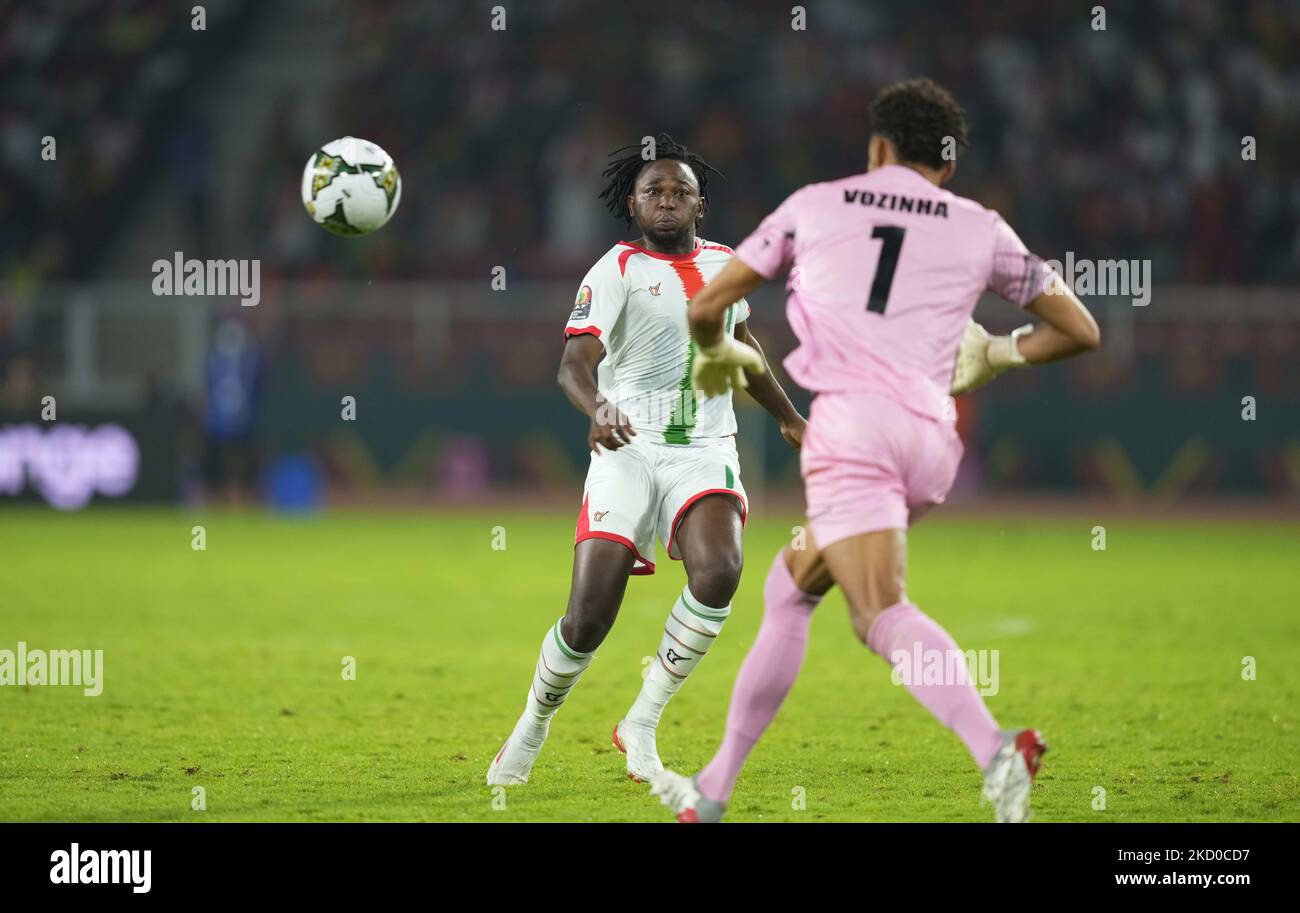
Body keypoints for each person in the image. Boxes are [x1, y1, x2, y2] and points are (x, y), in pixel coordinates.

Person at [650, 79, 1101, 823]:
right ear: (946, 165)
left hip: (852, 431)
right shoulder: (981, 224)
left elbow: (705, 305)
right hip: (929, 438)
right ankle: (714, 789)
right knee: (792, 584)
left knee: (877, 613)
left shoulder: (815, 204)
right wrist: (1000, 352)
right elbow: (1080, 328)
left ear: (878, 148)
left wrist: (713, 354)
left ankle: (996, 746)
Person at [487, 134, 806, 786]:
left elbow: (741, 348)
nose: (666, 200)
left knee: (720, 570)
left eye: (679, 191)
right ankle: (534, 719)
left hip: (704, 448)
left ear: (700, 204)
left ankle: (642, 719)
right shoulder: (615, 269)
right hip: (626, 446)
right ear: (632, 203)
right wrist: (598, 407)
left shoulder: (727, 266)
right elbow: (572, 366)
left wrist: (787, 414)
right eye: (654, 190)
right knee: (588, 617)